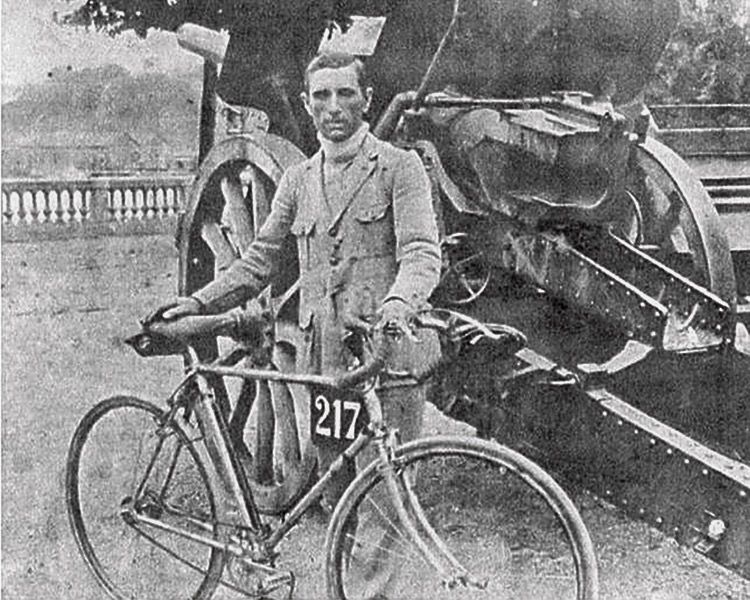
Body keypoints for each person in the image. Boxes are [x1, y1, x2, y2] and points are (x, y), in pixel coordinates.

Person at [149, 51, 442, 511]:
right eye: (322, 96)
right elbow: (258, 260)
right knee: (337, 491)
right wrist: (199, 302)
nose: (334, 107)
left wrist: (399, 304)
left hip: (387, 355)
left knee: (385, 502)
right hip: (325, 359)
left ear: (367, 99)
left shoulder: (398, 167)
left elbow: (422, 252)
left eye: (345, 94)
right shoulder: (298, 181)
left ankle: (366, 589)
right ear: (307, 105)